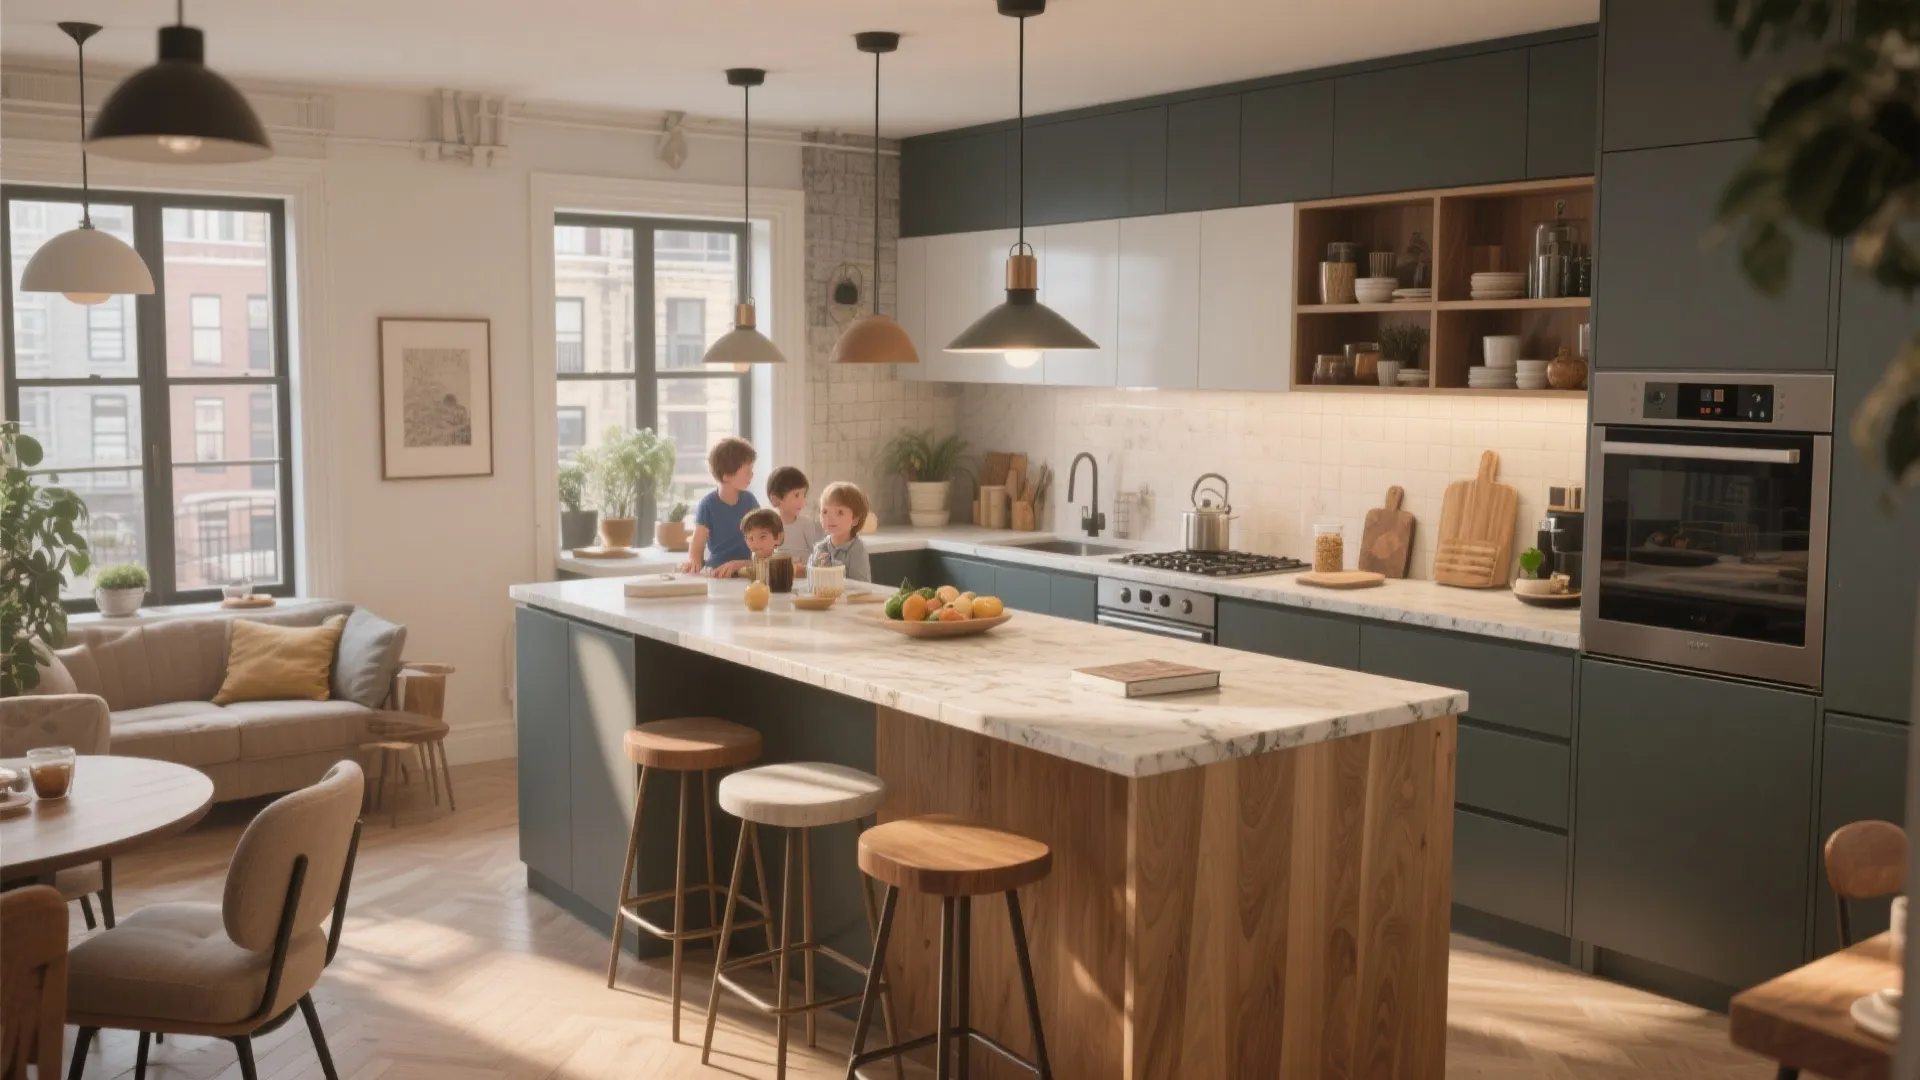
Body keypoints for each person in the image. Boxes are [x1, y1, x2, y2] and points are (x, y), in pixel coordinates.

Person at [681, 437, 760, 575]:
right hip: (717, 572)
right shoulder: (707, 505)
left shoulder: (750, 501)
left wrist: (740, 564)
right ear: (727, 476)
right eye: (748, 470)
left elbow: (764, 547)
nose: (752, 475)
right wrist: (694, 562)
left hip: (746, 570)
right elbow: (697, 545)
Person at [766, 465, 826, 570]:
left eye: (804, 495)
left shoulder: (806, 524)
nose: (802, 501)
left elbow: (818, 552)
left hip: (804, 577)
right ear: (776, 499)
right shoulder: (768, 525)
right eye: (796, 495)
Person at [810, 481, 872, 583]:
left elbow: (861, 585)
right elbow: (812, 579)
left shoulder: (857, 550)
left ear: (855, 519)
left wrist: (833, 567)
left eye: (840, 512)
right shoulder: (820, 548)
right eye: (824, 511)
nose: (830, 518)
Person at [723, 508, 785, 579]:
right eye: (751, 538)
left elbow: (769, 567)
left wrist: (741, 564)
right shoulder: (747, 565)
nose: (756, 543)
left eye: (763, 537)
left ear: (778, 538)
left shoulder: (781, 562)